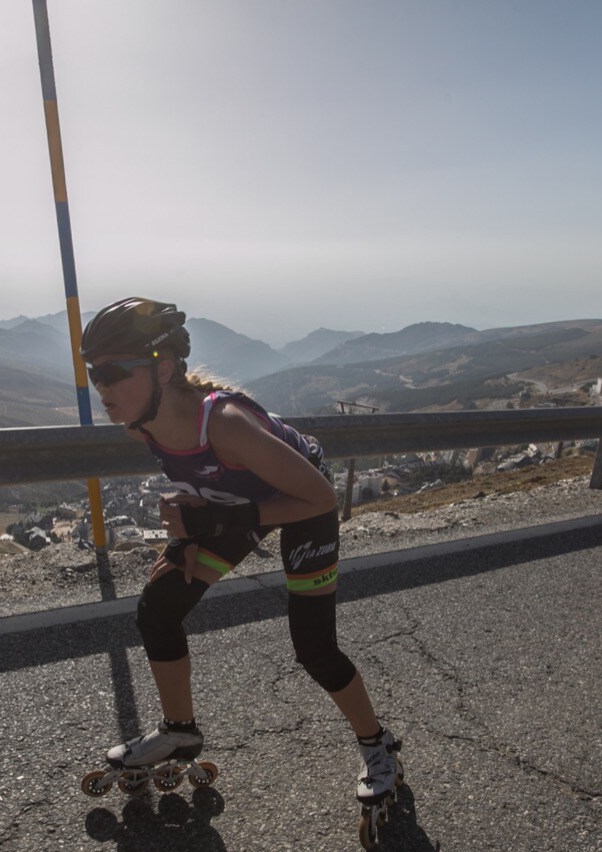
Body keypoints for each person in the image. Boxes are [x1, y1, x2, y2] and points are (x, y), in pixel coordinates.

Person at [79, 296, 400, 819]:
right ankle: (179, 731)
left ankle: (377, 744)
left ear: (163, 369)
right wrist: (185, 531)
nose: (103, 389)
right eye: (95, 375)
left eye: (114, 372)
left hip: (301, 499)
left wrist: (218, 521)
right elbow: (198, 483)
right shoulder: (143, 421)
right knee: (159, 606)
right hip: (241, 501)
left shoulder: (224, 423)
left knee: (314, 649)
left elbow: (319, 499)